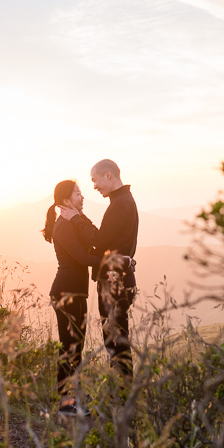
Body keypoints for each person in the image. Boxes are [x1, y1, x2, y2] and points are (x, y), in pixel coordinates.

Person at [60, 159, 139, 380]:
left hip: (115, 282)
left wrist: (76, 218)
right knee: (115, 339)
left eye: (95, 180)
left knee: (115, 341)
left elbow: (98, 242)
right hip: (121, 279)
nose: (94, 186)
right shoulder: (123, 201)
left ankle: (122, 398)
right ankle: (120, 393)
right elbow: (104, 239)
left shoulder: (120, 204)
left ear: (108, 175)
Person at [42, 179, 100, 416]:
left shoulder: (71, 222)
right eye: (78, 194)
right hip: (65, 293)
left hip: (75, 292)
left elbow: (94, 238)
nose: (82, 197)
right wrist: (118, 262)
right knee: (69, 346)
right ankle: (66, 403)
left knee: (77, 344)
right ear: (66, 200)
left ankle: (73, 393)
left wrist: (78, 215)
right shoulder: (63, 227)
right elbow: (83, 258)